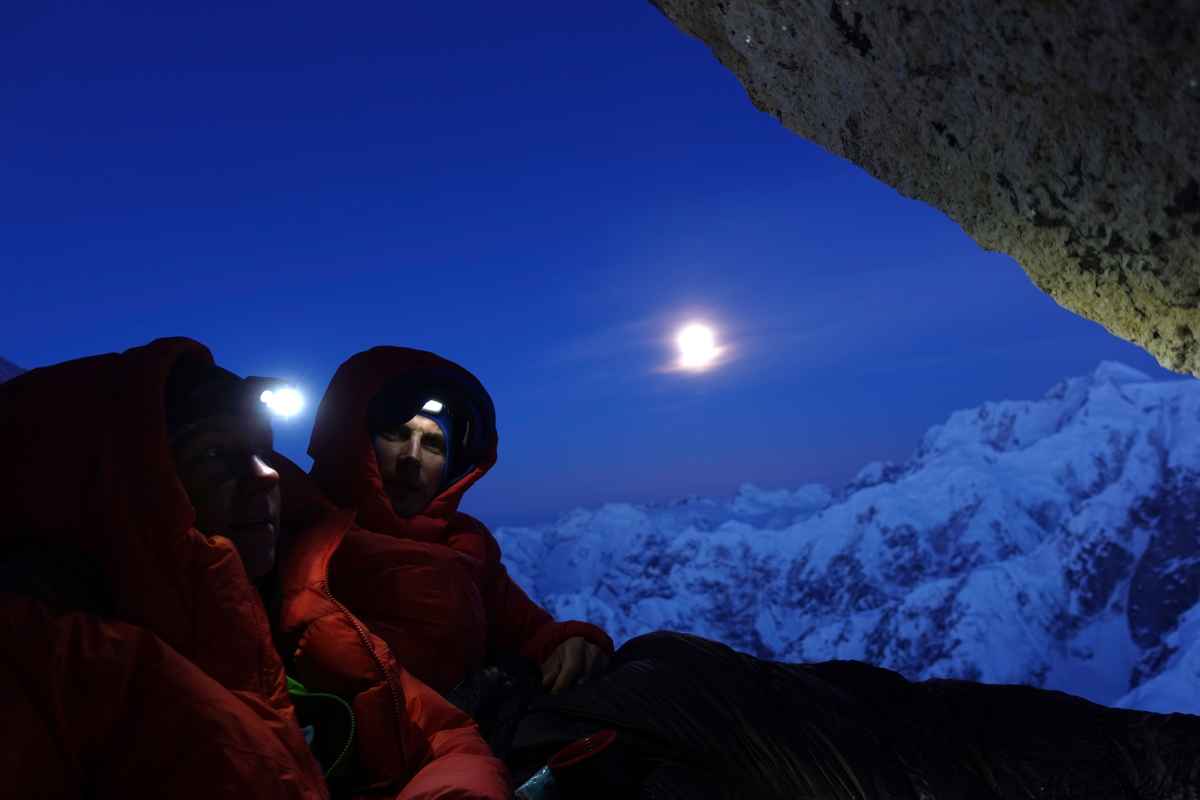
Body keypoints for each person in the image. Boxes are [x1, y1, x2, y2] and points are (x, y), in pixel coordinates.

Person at [0, 338, 508, 799]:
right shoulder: (53, 667)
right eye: (218, 453)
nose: (267, 476)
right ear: (126, 483)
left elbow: (439, 736)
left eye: (264, 451)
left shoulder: (278, 601)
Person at [305, 346, 613, 708]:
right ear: (350, 437)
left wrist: (568, 644)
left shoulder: (465, 548)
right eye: (395, 434)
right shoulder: (294, 532)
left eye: (433, 443)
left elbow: (527, 630)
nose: (412, 458)